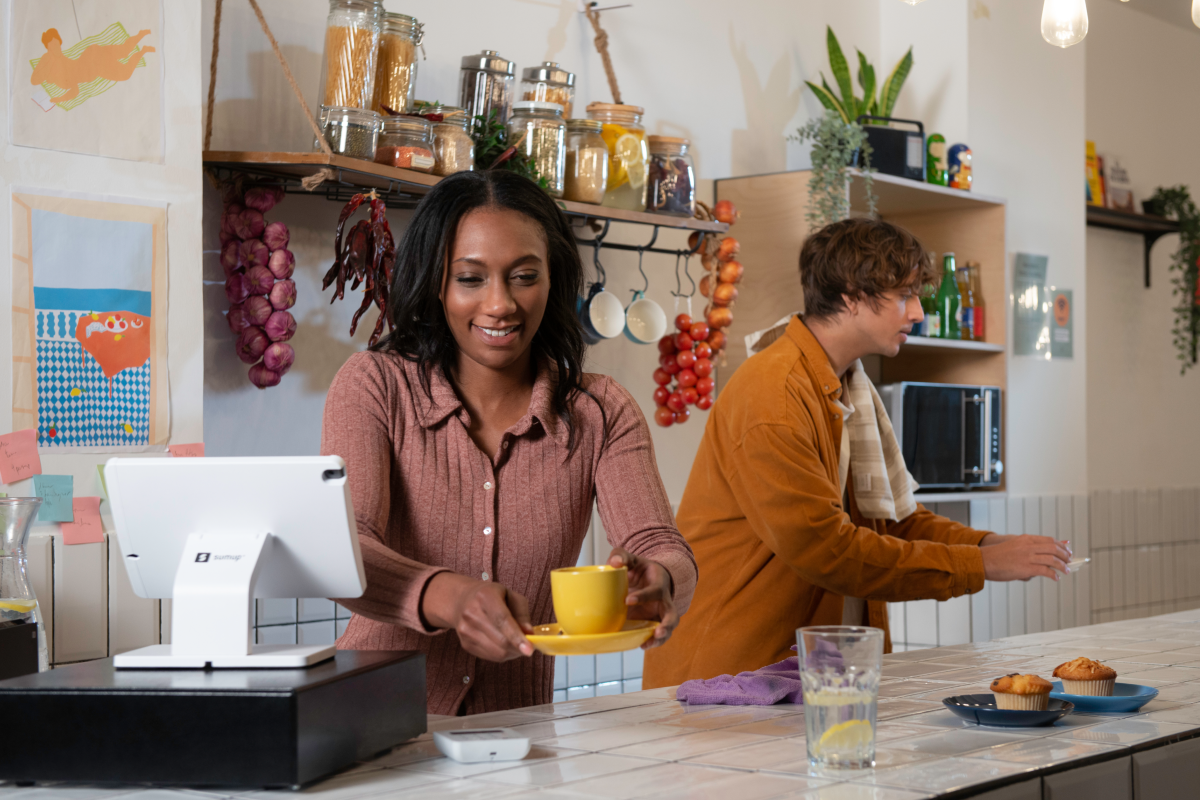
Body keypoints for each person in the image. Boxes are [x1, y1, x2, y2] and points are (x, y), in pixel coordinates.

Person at [322, 170, 696, 716]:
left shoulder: (601, 412)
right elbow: (344, 548)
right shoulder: (374, 386)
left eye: (523, 276)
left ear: (553, 280)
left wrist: (657, 579)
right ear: (435, 282)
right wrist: (448, 596)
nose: (500, 304)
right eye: (470, 279)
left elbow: (661, 543)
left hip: (520, 739)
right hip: (369, 726)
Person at [643, 218, 1070, 688]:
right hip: (729, 677)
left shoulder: (840, 383)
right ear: (850, 295)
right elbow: (826, 550)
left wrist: (990, 546)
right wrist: (981, 565)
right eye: (904, 295)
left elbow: (888, 521)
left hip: (798, 673)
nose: (919, 313)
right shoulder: (776, 393)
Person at [31, 27, 155, 105]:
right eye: (53, 46)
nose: (57, 48)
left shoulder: (54, 60)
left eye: (57, 44)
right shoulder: (49, 60)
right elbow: (35, 80)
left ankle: (140, 38)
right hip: (94, 64)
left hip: (92, 60)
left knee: (124, 57)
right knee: (125, 70)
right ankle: (142, 48)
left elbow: (36, 79)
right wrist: (58, 99)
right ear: (48, 48)